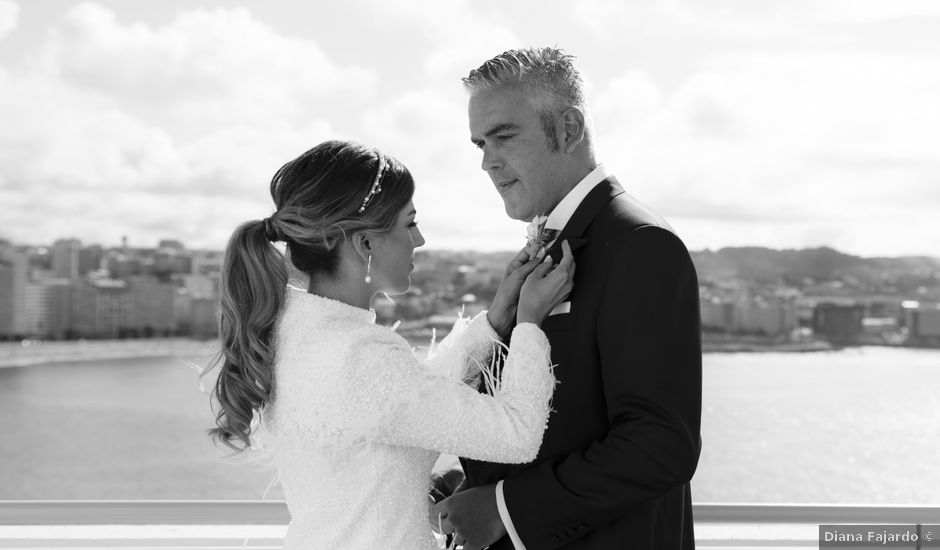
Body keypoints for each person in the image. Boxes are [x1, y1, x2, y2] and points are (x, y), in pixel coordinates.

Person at [206, 140, 575, 549]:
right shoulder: (361, 356)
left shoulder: (293, 331)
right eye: (409, 222)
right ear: (365, 243)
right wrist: (529, 323)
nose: (419, 239)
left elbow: (413, 398)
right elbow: (518, 434)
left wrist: (495, 320)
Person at [431, 48, 703, 550]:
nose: (488, 161)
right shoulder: (550, 245)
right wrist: (473, 480)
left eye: (504, 136)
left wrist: (504, 508)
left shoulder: (641, 245)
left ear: (569, 128)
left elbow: (661, 444)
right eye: (480, 144)